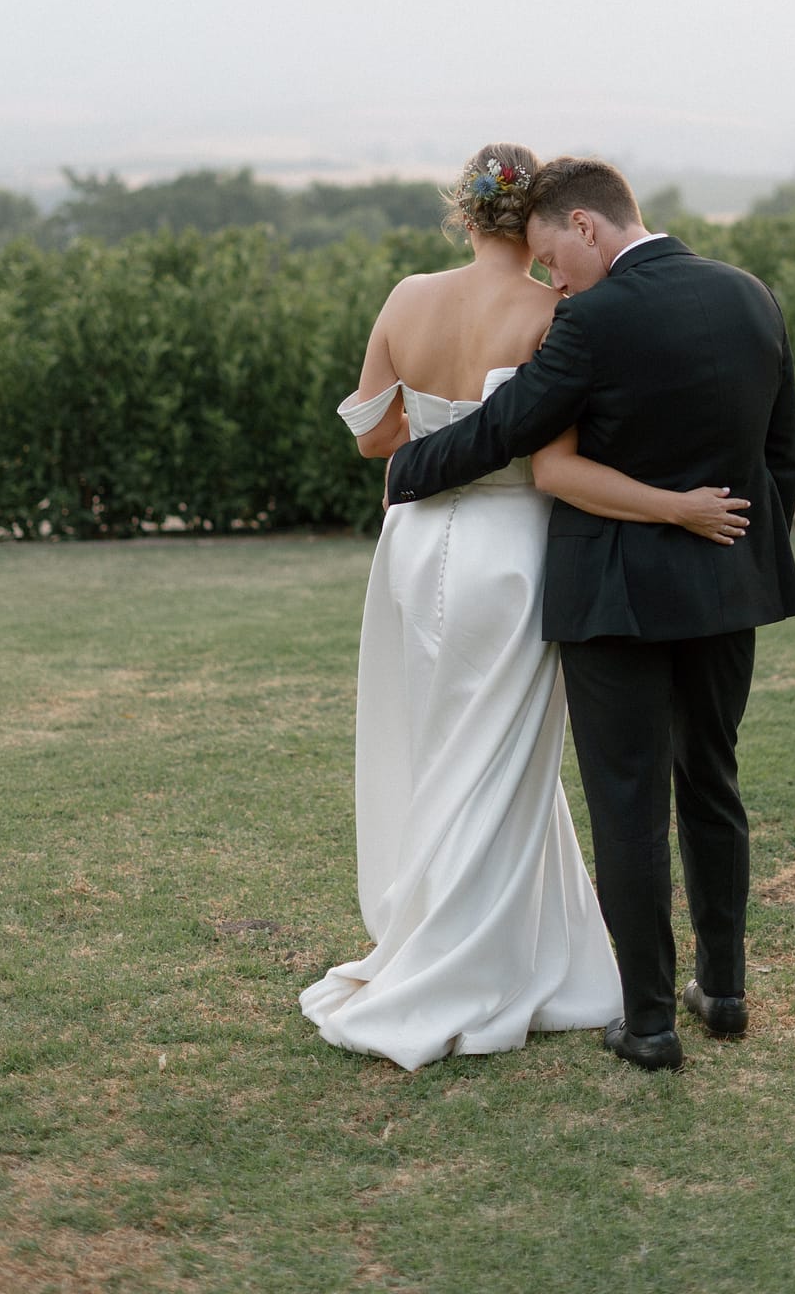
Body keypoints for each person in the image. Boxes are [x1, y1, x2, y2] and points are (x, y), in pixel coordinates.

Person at [299, 144, 750, 1071]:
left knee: (433, 743)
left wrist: (419, 445)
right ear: (536, 218)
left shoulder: (406, 297)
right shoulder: (557, 312)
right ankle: (485, 953)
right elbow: (547, 449)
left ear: (464, 213)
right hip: (510, 551)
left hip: (414, 543)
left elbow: (373, 435)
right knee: (499, 758)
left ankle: (425, 934)